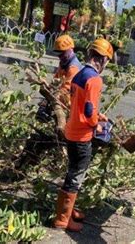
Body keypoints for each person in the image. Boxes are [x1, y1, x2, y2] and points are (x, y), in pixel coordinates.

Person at [53, 39, 114, 232]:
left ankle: (68, 212)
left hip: (72, 130)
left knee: (72, 171)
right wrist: (97, 124)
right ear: (103, 59)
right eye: (107, 61)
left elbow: (81, 105)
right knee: (76, 176)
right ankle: (63, 219)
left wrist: (98, 114)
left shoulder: (79, 74)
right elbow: (88, 112)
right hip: (81, 136)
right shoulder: (94, 79)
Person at [53, 34, 83, 106]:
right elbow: (56, 79)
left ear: (70, 49)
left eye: (62, 54)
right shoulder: (63, 63)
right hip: (61, 97)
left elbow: (66, 89)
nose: (60, 57)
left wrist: (54, 96)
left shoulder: (73, 68)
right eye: (58, 54)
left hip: (69, 102)